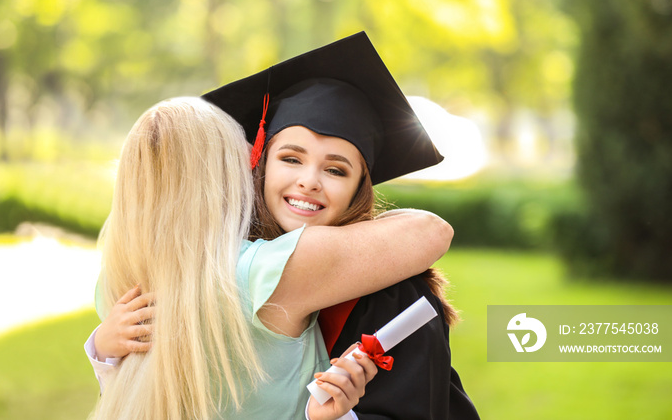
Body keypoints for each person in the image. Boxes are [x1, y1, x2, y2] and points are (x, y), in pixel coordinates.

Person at [87, 95, 453, 420]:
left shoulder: (117, 278)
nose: (309, 181)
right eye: (290, 158)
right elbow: (432, 230)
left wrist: (101, 351)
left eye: (336, 170)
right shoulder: (262, 269)